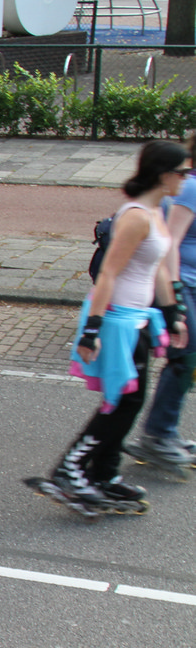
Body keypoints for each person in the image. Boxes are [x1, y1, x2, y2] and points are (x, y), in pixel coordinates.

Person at [25, 140, 190, 514]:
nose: (186, 178)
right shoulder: (135, 217)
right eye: (183, 172)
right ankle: (70, 470)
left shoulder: (156, 211)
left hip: (139, 318)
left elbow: (158, 269)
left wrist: (172, 313)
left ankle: (104, 474)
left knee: (130, 401)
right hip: (116, 320)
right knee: (122, 401)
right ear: (163, 174)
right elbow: (109, 274)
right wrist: (91, 330)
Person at [127, 129, 196, 473]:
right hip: (182, 284)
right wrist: (175, 297)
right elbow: (170, 243)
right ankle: (158, 434)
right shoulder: (191, 188)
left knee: (187, 358)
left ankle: (161, 430)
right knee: (185, 356)